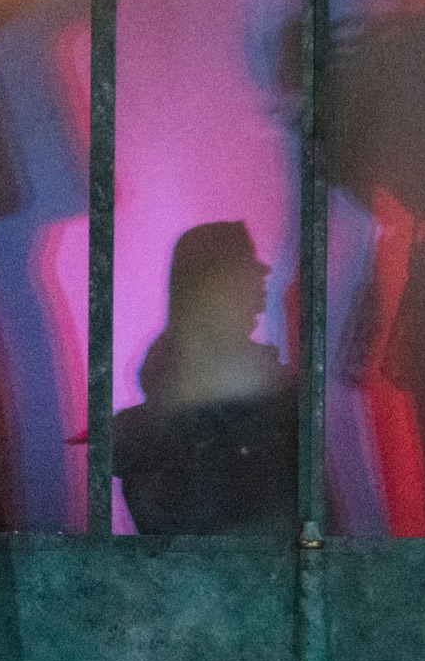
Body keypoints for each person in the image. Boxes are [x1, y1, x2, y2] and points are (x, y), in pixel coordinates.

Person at [114, 221, 298, 535]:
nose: (262, 280)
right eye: (245, 270)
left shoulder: (271, 391)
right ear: (211, 288)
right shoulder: (156, 430)